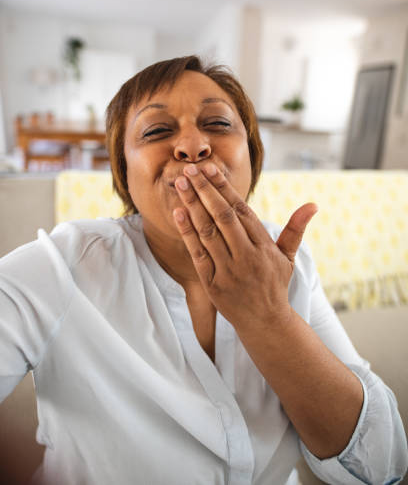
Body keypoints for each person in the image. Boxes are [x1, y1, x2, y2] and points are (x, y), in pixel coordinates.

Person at [0, 55, 407, 485]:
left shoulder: (290, 261)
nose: (193, 146)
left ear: (251, 156)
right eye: (157, 131)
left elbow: (381, 466)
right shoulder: (63, 265)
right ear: (123, 174)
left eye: (217, 124)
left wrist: (270, 317)